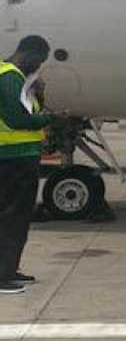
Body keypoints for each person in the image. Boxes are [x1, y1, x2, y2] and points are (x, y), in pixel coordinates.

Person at [0, 35, 52, 294]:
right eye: (39, 60)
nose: (38, 66)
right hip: (12, 158)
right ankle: (2, 276)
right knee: (11, 217)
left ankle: (9, 268)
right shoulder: (10, 77)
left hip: (19, 156)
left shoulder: (18, 79)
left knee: (17, 217)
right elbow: (17, 119)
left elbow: (26, 111)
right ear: (27, 53)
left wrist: (38, 95)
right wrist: (48, 119)